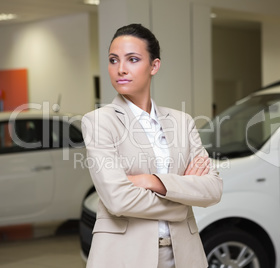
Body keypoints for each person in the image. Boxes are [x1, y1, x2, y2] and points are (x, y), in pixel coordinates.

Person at [81, 23, 223, 268]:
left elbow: (212, 189)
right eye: (113, 60)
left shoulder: (182, 122)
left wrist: (152, 181)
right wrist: (182, 202)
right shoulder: (98, 122)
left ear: (154, 65)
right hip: (123, 255)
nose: (121, 69)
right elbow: (118, 200)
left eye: (132, 59)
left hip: (184, 255)